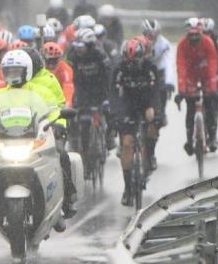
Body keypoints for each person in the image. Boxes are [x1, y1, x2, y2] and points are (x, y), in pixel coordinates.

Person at [0, 49, 76, 218]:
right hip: (6, 141)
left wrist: (59, 125)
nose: (12, 75)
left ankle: (66, 198)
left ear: (28, 71)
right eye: (9, 71)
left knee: (60, 154)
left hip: (33, 140)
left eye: (17, 71)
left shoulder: (42, 92)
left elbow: (55, 112)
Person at [113, 39, 159, 206]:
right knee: (127, 144)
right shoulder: (119, 69)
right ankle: (127, 188)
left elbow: (156, 91)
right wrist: (115, 114)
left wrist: (154, 109)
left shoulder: (150, 68)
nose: (132, 65)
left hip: (145, 104)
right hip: (127, 107)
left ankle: (150, 156)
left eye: (136, 61)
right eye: (129, 61)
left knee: (152, 128)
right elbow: (113, 93)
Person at [176, 18, 218, 153]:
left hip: (206, 73)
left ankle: (212, 137)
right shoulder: (182, 45)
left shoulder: (208, 42)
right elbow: (181, 67)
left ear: (201, 33)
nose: (194, 38)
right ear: (186, 34)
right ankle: (189, 140)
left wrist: (213, 88)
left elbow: (213, 64)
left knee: (210, 104)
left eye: (197, 35)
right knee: (190, 107)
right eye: (191, 35)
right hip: (191, 75)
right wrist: (182, 89)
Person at [68, 28, 111, 155]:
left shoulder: (99, 55)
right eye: (76, 46)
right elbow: (70, 76)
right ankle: (81, 148)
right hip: (82, 90)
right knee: (81, 119)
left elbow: (108, 75)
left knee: (109, 113)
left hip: (99, 89)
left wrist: (107, 97)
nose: (78, 49)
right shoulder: (73, 56)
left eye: (81, 46)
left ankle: (108, 138)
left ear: (90, 45)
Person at [142, 19, 175, 134]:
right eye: (149, 35)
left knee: (161, 94)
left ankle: (161, 114)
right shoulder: (138, 43)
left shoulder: (164, 44)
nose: (152, 38)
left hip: (158, 73)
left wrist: (169, 82)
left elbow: (168, 63)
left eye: (154, 35)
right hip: (143, 73)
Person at [43, 42, 74, 108]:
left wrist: (67, 105)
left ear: (60, 59)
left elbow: (68, 88)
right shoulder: (38, 68)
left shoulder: (66, 69)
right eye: (48, 61)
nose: (51, 65)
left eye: (54, 61)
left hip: (58, 101)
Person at [200, 17, 218, 92]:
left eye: (208, 33)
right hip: (199, 65)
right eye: (203, 33)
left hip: (214, 64)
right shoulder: (195, 39)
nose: (206, 36)